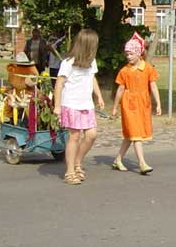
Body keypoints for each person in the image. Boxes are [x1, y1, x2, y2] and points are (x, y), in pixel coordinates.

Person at [53, 29, 105, 185]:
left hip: (86, 105)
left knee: (91, 135)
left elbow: (92, 79)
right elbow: (59, 84)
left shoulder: (91, 62)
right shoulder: (68, 63)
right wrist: (57, 106)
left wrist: (99, 96)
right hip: (71, 104)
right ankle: (70, 172)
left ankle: (77, 161)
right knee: (74, 136)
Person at [111, 33, 162, 175]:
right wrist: (115, 107)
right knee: (136, 134)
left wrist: (158, 103)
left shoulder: (148, 68)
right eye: (126, 54)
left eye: (131, 54)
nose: (128, 56)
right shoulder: (124, 71)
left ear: (139, 54)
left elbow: (153, 86)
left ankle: (118, 160)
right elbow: (120, 89)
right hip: (129, 104)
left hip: (143, 103)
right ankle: (142, 163)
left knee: (130, 135)